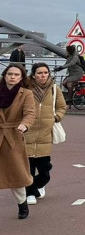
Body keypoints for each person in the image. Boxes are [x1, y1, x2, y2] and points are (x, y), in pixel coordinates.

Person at [23, 63, 67, 205]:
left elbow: (61, 107)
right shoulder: (26, 88)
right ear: (33, 74)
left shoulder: (55, 89)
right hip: (28, 132)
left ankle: (37, 185)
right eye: (39, 73)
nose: (43, 75)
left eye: (45, 73)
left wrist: (56, 117)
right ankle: (29, 193)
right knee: (28, 167)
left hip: (45, 133)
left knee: (45, 170)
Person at [0, 63, 36, 220]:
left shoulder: (26, 93)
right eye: (9, 74)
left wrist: (24, 125)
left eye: (16, 74)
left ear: (21, 78)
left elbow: (30, 113)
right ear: (4, 75)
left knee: (16, 174)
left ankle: (22, 204)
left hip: (13, 136)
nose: (12, 77)